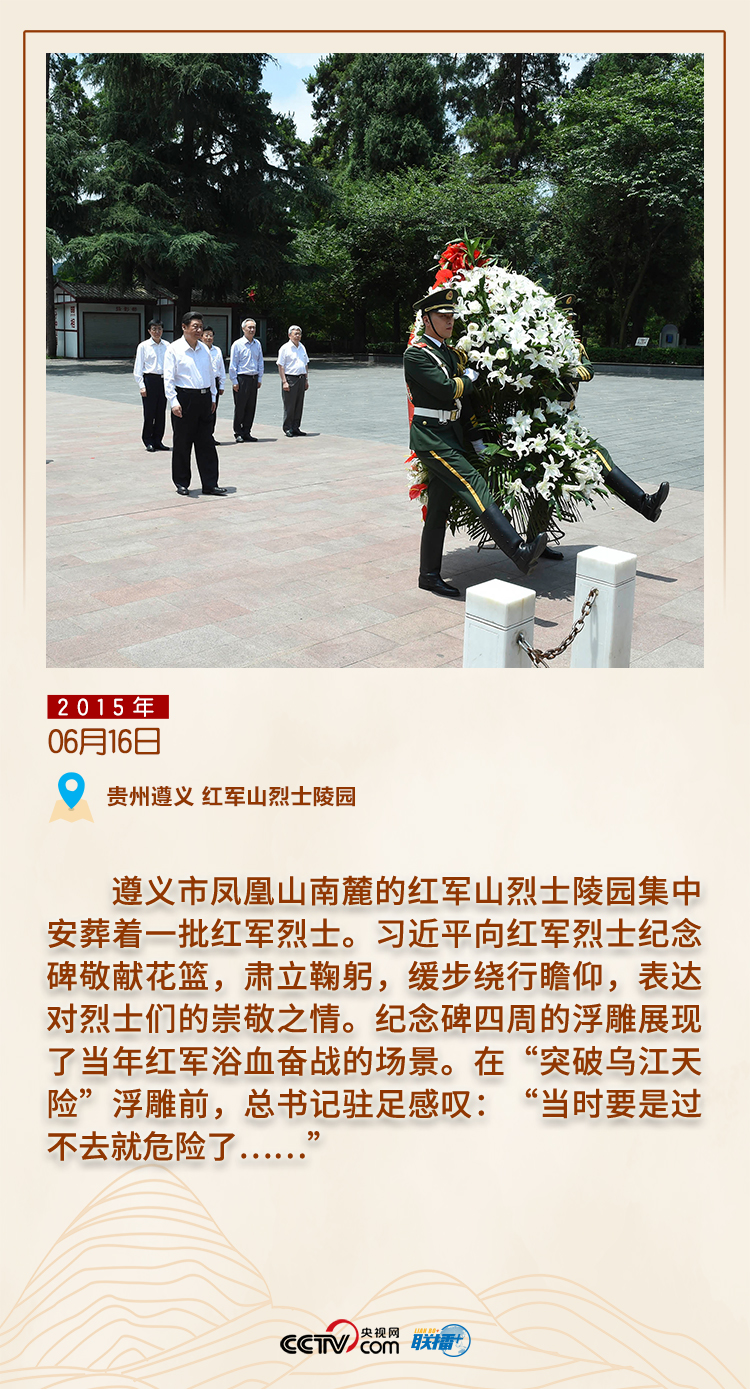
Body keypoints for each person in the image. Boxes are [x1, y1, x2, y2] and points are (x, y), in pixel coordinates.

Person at [404, 287, 548, 597]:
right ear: (426, 319)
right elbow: (446, 389)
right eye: (443, 316)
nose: (449, 321)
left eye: (451, 316)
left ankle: (428, 575)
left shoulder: (448, 352)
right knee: (474, 484)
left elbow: (463, 399)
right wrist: (469, 379)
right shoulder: (416, 353)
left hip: (450, 435)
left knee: (439, 508)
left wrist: (477, 437)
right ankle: (518, 551)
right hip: (431, 437)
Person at [163, 312, 228, 497]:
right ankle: (182, 482)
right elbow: (168, 378)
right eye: (195, 326)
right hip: (185, 399)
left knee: (207, 443)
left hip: (204, 398)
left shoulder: (205, 349)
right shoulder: (174, 349)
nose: (199, 330)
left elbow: (211, 375)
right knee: (182, 443)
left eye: (201, 326)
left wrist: (213, 398)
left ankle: (210, 484)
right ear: (184, 327)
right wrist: (173, 402)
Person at [133, 319, 169, 452]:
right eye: (154, 329)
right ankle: (148, 440)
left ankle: (158, 440)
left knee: (161, 413)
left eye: (159, 329)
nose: (157, 332)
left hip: (163, 380)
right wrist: (141, 385)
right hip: (149, 380)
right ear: (149, 331)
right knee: (149, 413)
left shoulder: (167, 345)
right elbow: (138, 367)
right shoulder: (143, 346)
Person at [228, 318, 264, 442]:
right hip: (242, 378)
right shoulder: (237, 344)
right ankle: (238, 432)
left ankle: (247, 431)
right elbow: (233, 364)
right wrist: (234, 381)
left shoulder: (257, 344)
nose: (252, 330)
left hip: (253, 378)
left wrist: (260, 378)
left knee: (251, 407)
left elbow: (260, 361)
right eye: (249, 327)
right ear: (243, 329)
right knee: (240, 407)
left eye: (254, 327)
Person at [277, 325, 309, 437]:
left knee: (299, 404)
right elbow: (281, 365)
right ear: (289, 335)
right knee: (289, 405)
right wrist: (284, 381)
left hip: (301, 378)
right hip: (290, 378)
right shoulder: (285, 348)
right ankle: (288, 427)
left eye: (299, 334)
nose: (298, 336)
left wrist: (306, 379)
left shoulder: (302, 347)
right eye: (295, 334)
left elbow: (305, 364)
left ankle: (296, 427)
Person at [201, 327, 226, 437]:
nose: (209, 338)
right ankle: (202, 435)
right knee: (203, 410)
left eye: (211, 335)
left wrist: (222, 384)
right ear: (201, 337)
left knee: (213, 409)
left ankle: (210, 435)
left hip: (215, 382)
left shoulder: (217, 350)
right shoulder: (199, 349)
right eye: (206, 335)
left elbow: (221, 368)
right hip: (203, 383)